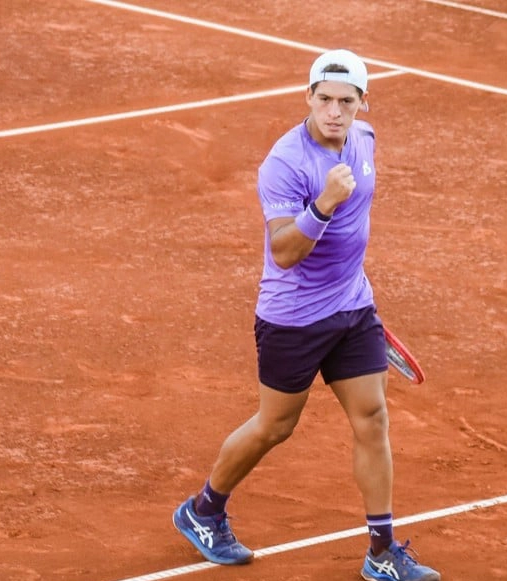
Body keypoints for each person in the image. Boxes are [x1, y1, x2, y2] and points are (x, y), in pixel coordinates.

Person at [172, 49, 441, 581]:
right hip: (292, 319)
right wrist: (323, 204)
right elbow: (286, 252)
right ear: (308, 98)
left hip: (353, 308)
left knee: (373, 419)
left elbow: (355, 231)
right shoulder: (284, 164)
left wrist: (351, 291)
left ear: (363, 103)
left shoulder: (364, 140)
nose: (334, 111)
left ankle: (382, 552)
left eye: (346, 101)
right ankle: (203, 510)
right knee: (275, 426)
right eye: (324, 100)